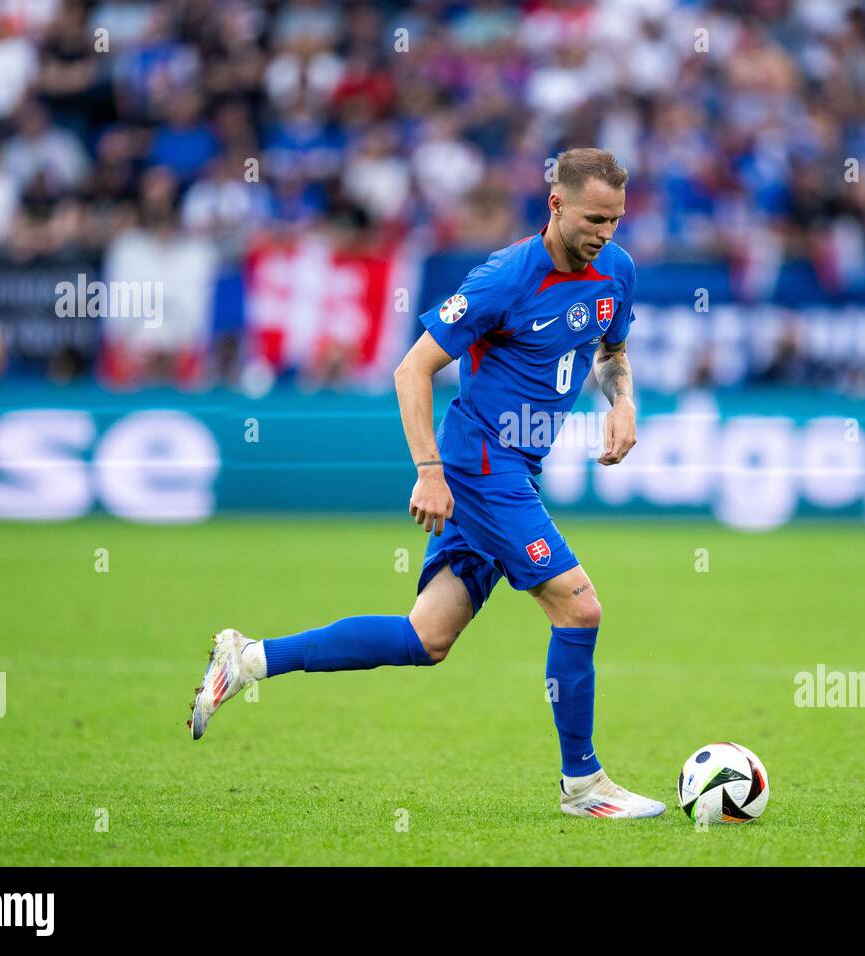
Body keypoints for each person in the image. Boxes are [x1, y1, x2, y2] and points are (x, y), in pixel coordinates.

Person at [188, 148, 664, 819]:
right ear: (555, 205)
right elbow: (411, 371)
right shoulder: (504, 279)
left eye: (615, 220)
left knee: (426, 639)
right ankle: (583, 785)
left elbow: (612, 351)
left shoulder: (617, 271)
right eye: (593, 219)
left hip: (517, 468)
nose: (605, 234)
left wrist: (622, 404)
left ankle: (249, 660)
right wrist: (430, 473)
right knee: (580, 608)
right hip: (481, 466)